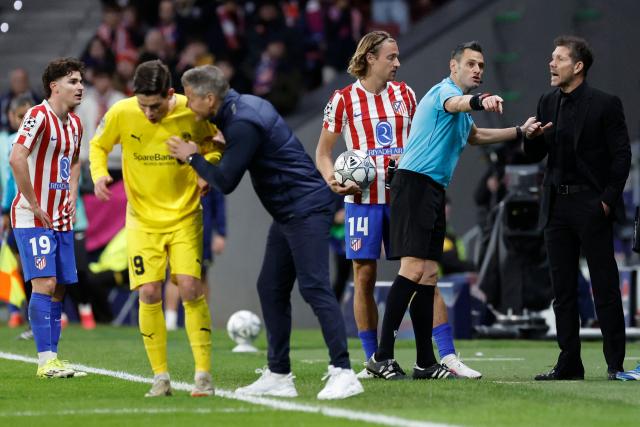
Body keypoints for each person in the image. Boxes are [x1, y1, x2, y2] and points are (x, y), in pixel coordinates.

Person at [166, 64, 363, 400]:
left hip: (306, 208)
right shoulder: (244, 108)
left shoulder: (241, 122)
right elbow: (248, 140)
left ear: (210, 98)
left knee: (315, 288)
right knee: (270, 286)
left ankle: (343, 372)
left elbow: (225, 182)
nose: (187, 104)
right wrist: (222, 142)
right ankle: (279, 374)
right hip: (289, 212)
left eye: (192, 98)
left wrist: (193, 157)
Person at [316, 30, 481, 379]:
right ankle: (373, 359)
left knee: (424, 273)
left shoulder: (406, 94)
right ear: (370, 58)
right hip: (361, 200)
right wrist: (333, 178)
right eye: (391, 57)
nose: (397, 63)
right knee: (364, 276)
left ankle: (447, 356)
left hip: (404, 196)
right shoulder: (343, 99)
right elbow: (323, 153)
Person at [366, 41, 534, 380]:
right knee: (412, 270)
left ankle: (425, 362)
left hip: (432, 190)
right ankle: (380, 357)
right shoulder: (443, 92)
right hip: (413, 185)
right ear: (453, 66)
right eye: (471, 63)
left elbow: (475, 136)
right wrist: (478, 99)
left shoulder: (462, 112)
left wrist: (519, 132)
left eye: (481, 66)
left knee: (428, 274)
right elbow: (456, 102)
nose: (477, 70)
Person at [89, 60, 222, 397]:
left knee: (191, 288)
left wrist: (206, 171)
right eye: (143, 105)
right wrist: (99, 173)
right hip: (142, 221)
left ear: (171, 94)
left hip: (184, 216)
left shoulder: (191, 113)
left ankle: (203, 374)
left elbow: (216, 144)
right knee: (149, 293)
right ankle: (160, 377)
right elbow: (98, 145)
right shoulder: (122, 111)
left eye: (156, 105)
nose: (149, 113)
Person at [522, 36, 630, 381]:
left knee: (605, 285)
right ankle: (569, 363)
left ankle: (615, 364)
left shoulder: (605, 104)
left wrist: (606, 201)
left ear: (578, 66)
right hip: (556, 204)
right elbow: (534, 155)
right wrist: (532, 137)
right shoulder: (547, 101)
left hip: (591, 203)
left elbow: (622, 156)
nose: (551, 64)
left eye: (558, 59)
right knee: (563, 289)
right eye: (551, 58)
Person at [9, 57, 86, 378]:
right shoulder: (37, 116)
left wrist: (71, 193)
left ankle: (53, 357)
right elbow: (17, 157)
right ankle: (45, 362)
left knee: (59, 289)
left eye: (81, 81)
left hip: (61, 218)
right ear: (54, 87)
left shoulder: (76, 124)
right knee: (46, 282)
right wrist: (33, 202)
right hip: (32, 217)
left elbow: (77, 162)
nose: (80, 87)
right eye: (72, 82)